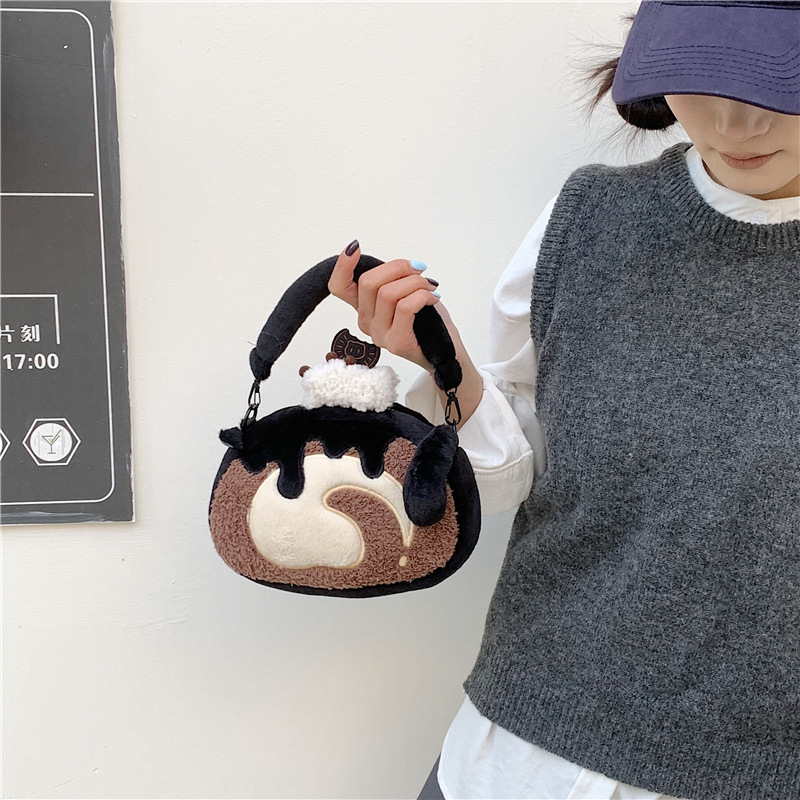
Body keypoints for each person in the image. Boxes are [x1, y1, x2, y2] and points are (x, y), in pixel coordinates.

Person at [328, 2, 800, 798]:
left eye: (777, 81)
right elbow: (518, 474)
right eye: (703, 75)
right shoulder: (591, 219)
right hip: (519, 756)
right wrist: (446, 364)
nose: (734, 121)